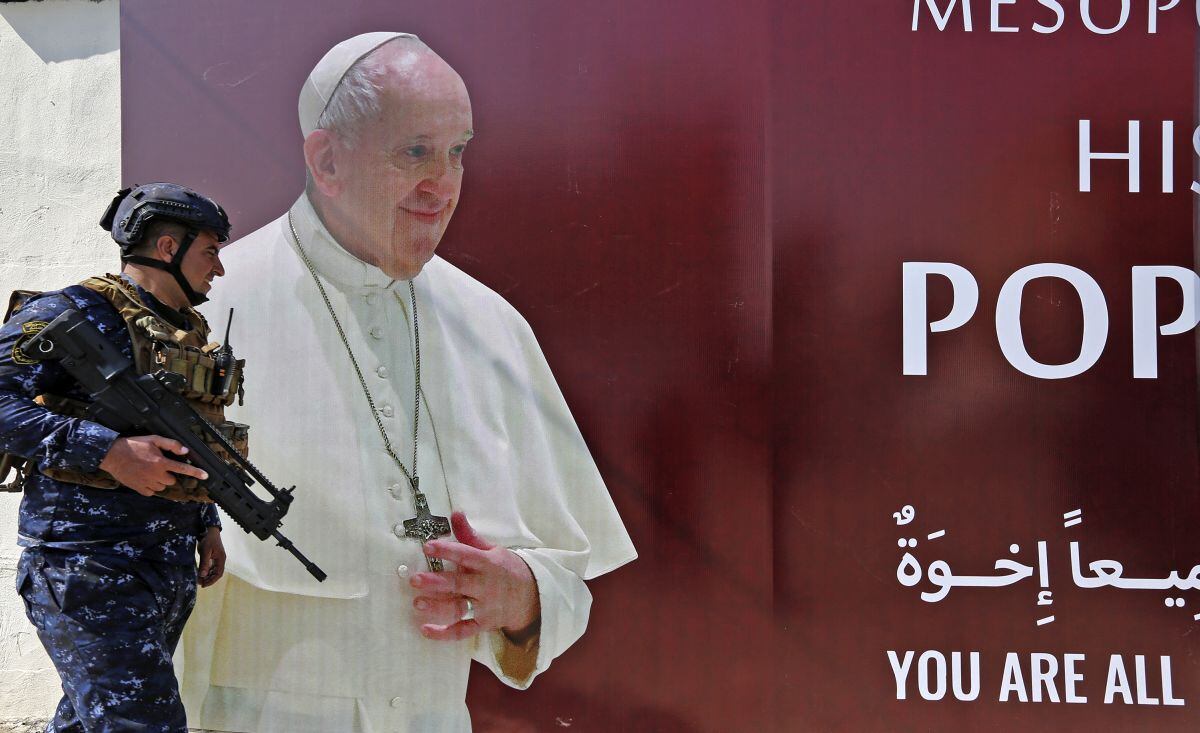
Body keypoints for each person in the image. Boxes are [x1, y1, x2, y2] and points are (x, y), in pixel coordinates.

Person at [179, 32, 637, 732]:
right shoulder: (205, 314)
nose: (443, 185)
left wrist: (523, 596)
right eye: (415, 152)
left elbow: (566, 571)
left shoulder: (488, 322)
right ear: (327, 160)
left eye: (457, 152)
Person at [0, 182, 240, 732]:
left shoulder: (185, 331)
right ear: (167, 248)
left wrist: (205, 520)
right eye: (210, 251)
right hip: (89, 562)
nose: (219, 268)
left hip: (164, 561)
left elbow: (184, 435)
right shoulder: (72, 313)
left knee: (91, 722)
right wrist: (106, 450)